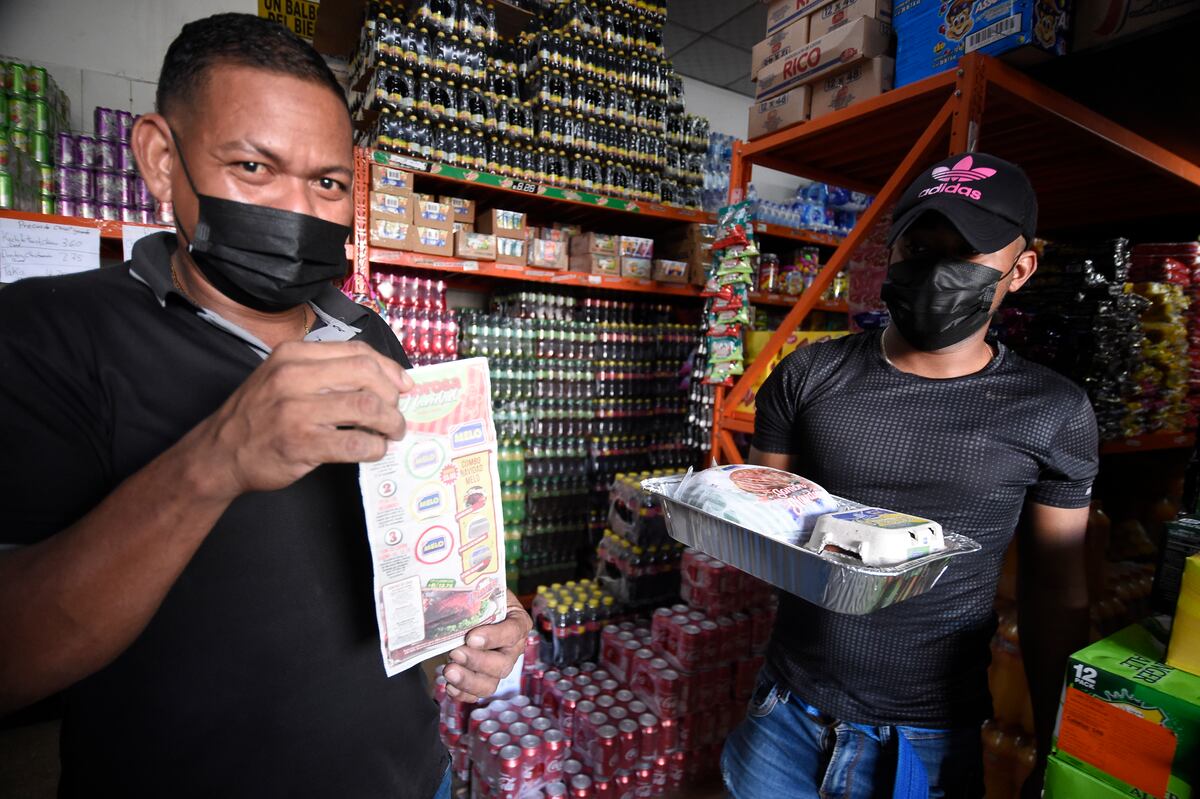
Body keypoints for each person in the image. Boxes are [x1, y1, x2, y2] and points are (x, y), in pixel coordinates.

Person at [0, 14, 530, 797]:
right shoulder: (47, 334)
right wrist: (216, 456)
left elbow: (409, 552)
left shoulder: (372, 336)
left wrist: (474, 617)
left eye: (327, 182)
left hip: (410, 778)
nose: (299, 211)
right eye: (253, 167)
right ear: (159, 157)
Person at [721, 153, 1097, 799]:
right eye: (921, 245)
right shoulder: (808, 375)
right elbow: (764, 519)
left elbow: (1055, 594)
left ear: (1021, 269)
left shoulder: (1053, 411)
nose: (937, 271)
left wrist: (1060, 742)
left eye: (968, 254)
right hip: (787, 710)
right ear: (893, 251)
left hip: (928, 738)